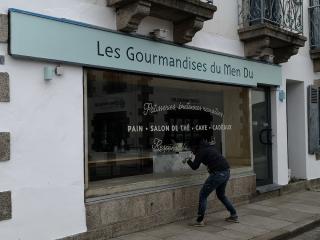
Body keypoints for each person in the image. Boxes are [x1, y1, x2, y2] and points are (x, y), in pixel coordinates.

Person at [183, 136, 238, 226]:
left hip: (217, 174)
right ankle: (234, 215)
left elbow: (195, 167)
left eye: (191, 148)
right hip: (226, 172)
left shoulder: (201, 151)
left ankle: (199, 220)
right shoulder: (210, 147)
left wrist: (188, 160)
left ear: (195, 146)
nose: (191, 150)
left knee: (203, 195)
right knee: (221, 195)